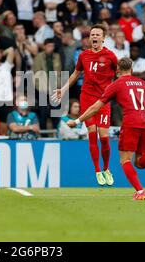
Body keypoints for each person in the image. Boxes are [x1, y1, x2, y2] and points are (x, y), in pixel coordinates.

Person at [67, 58, 145, 200]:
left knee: (125, 160)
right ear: (131, 70)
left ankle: (140, 192)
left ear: (117, 70)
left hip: (131, 122)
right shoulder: (144, 84)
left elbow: (95, 107)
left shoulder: (116, 84)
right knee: (140, 162)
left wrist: (77, 120)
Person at [53, 24, 118, 186]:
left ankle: (107, 168)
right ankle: (97, 170)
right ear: (90, 38)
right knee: (91, 132)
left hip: (104, 100)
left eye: (97, 34)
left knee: (104, 138)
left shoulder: (111, 56)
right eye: (92, 34)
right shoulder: (84, 56)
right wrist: (63, 88)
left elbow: (119, 74)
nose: (94, 37)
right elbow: (76, 74)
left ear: (103, 38)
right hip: (87, 97)